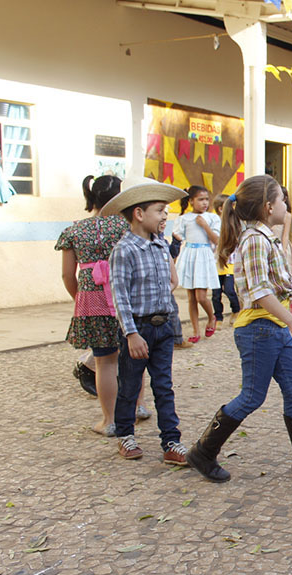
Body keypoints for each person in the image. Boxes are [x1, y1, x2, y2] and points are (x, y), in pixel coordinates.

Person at [185, 175, 292, 483]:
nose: (287, 205)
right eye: (283, 200)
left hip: (274, 327)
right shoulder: (255, 239)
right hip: (259, 329)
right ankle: (203, 451)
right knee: (252, 396)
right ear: (270, 207)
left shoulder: (264, 235)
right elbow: (259, 291)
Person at [103, 178, 189, 464]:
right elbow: (120, 297)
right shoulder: (124, 250)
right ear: (139, 214)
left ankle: (171, 441)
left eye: (166, 211)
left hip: (162, 327)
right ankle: (125, 435)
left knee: (164, 385)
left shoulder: (161, 246)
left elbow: (167, 285)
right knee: (129, 385)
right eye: (160, 210)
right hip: (137, 330)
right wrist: (130, 334)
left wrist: (171, 322)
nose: (165, 216)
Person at [56, 175, 128, 436]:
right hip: (124, 298)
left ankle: (109, 421)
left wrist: (81, 297)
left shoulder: (74, 230)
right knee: (132, 356)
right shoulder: (126, 226)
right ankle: (138, 407)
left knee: (105, 362)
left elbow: (67, 274)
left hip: (91, 302)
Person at [173, 185, 219, 343]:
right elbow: (178, 238)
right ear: (191, 201)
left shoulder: (212, 218)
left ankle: (212, 317)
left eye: (207, 199)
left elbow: (217, 240)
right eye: (200, 199)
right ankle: (195, 330)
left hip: (203, 256)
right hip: (189, 255)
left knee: (201, 296)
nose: (205, 202)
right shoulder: (183, 219)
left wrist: (205, 225)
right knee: (191, 297)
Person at [210, 193, 240, 328]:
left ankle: (236, 309)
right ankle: (218, 317)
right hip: (216, 263)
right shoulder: (213, 223)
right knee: (216, 294)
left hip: (230, 262)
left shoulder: (235, 223)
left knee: (229, 290)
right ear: (221, 209)